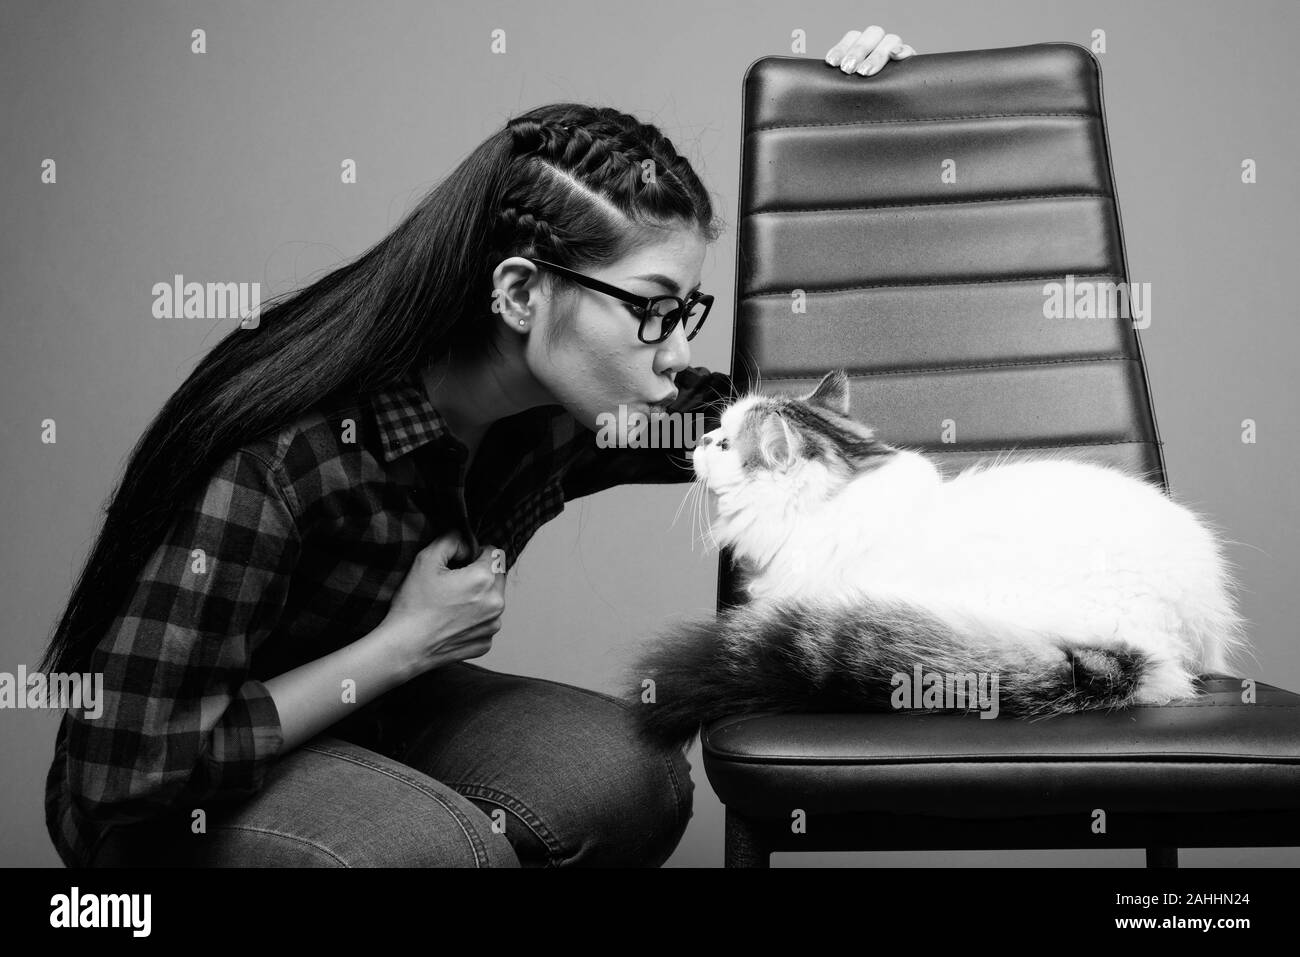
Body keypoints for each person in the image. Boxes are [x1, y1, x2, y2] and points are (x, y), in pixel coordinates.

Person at [39, 28, 915, 868]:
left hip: (372, 717)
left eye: (684, 311)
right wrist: (401, 646)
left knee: (629, 775)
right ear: (521, 291)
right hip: (168, 798)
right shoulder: (284, 448)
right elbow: (123, 767)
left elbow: (796, 429)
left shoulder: (568, 407)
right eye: (650, 306)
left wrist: (872, 143)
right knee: (434, 850)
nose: (676, 350)